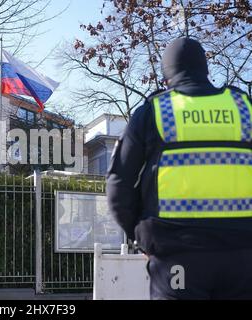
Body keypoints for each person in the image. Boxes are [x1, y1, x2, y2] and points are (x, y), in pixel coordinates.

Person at [107, 37, 252, 300]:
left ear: (166, 75)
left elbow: (119, 184)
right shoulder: (244, 108)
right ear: (205, 69)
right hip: (243, 257)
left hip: (177, 256)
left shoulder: (155, 111)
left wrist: (139, 236)